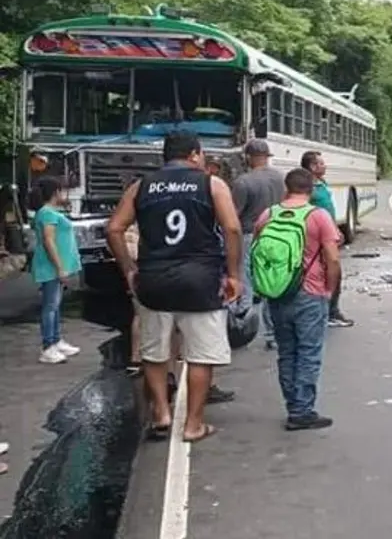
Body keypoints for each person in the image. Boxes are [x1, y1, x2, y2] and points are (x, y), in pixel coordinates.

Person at [106, 131, 242, 444]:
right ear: (195, 154)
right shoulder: (211, 184)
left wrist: (129, 269)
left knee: (155, 353)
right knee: (200, 356)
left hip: (153, 281)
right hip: (200, 281)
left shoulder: (142, 186)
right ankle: (193, 425)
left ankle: (161, 414)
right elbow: (232, 228)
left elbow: (114, 228)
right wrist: (233, 274)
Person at [255, 168, 341, 430]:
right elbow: (333, 259)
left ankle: (293, 404)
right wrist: (330, 289)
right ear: (311, 190)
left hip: (279, 293)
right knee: (309, 352)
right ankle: (302, 411)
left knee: (287, 351)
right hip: (311, 293)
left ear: (286, 188)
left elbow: (260, 252)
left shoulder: (268, 214)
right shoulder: (319, 217)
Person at [232, 140, 284, 349]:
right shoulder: (280, 178)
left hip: (249, 235)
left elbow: (233, 215)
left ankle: (241, 328)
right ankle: (273, 334)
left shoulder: (243, 182)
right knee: (272, 284)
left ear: (248, 157)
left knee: (245, 281)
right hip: (276, 236)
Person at [30, 176, 81, 364]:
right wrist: (59, 267)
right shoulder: (47, 213)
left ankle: (56, 340)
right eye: (61, 190)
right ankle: (47, 346)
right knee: (50, 306)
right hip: (50, 266)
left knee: (55, 304)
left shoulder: (49, 212)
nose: (63, 193)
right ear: (55, 192)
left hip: (55, 266)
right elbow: (48, 240)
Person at [300, 151, 352, 328]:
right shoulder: (308, 188)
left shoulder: (321, 183)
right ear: (313, 167)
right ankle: (329, 312)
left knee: (332, 273)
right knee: (331, 272)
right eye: (321, 164)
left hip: (329, 234)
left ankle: (329, 310)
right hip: (317, 240)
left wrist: (336, 228)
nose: (325, 166)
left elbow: (327, 209)